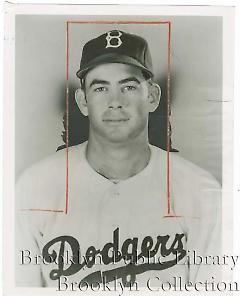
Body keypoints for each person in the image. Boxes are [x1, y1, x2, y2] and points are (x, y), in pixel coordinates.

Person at [15, 30, 221, 289]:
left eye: (129, 87)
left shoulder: (201, 191)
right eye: (100, 88)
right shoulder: (34, 187)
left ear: (153, 97)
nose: (115, 102)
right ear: (82, 101)